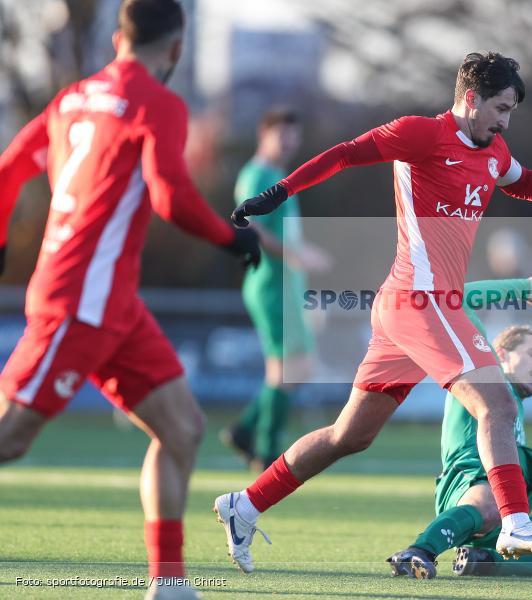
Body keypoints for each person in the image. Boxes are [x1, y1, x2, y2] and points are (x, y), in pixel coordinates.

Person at [214, 51, 532, 574]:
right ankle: (516, 522)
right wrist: (279, 192)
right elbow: (345, 154)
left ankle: (243, 505)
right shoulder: (421, 135)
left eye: (511, 111)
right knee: (496, 404)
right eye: (499, 108)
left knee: (348, 436)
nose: (505, 121)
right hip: (421, 299)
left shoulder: (494, 149)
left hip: (410, 307)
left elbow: (519, 179)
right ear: (470, 99)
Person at [0, 1, 259, 598]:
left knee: (182, 427)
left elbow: (11, 168)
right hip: (79, 302)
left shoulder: (72, 97)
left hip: (111, 304)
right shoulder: (159, 102)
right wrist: (230, 236)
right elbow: (170, 196)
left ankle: (167, 582)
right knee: (10, 437)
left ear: (119, 37)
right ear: (176, 47)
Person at [386, 275, 532, 580]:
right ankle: (418, 552)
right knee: (487, 500)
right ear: (500, 355)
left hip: (510, 511)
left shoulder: (515, 406)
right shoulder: (482, 374)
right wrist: (524, 288)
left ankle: (482, 561)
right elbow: (461, 298)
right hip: (467, 487)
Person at [220, 108, 331, 471]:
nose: (288, 141)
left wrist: (303, 255)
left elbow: (283, 233)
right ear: (262, 134)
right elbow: (251, 230)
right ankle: (265, 451)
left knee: (298, 366)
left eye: (292, 134)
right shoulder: (258, 175)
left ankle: (248, 432)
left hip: (283, 284)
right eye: (280, 134)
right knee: (287, 367)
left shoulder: (278, 176)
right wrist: (298, 256)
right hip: (270, 284)